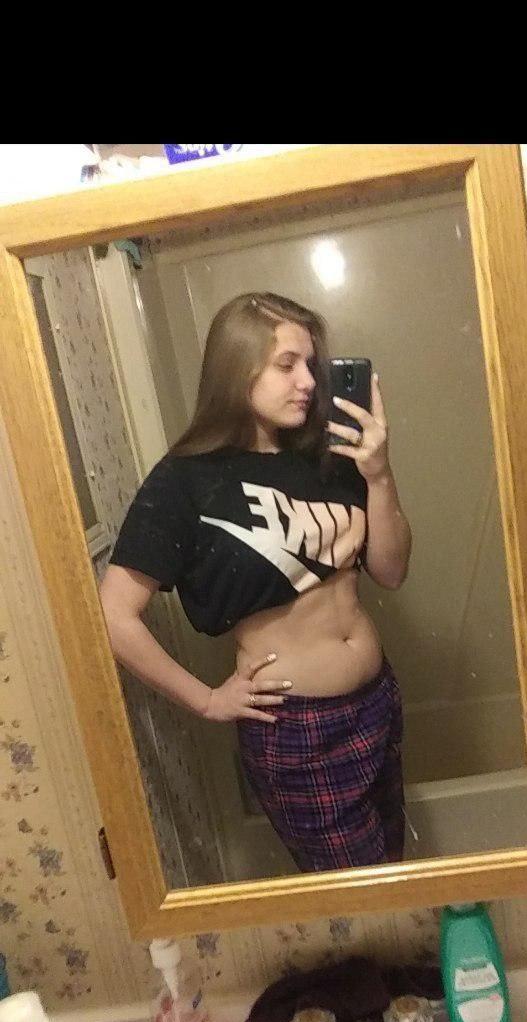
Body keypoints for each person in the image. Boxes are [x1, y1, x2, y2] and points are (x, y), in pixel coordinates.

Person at [100, 293, 412, 874]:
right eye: (286, 364)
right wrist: (207, 700)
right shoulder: (185, 481)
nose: (309, 382)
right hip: (298, 733)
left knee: (395, 867)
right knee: (363, 893)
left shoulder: (331, 457)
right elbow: (115, 615)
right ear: (237, 368)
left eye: (310, 365)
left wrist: (379, 474)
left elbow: (391, 572)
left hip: (377, 701)